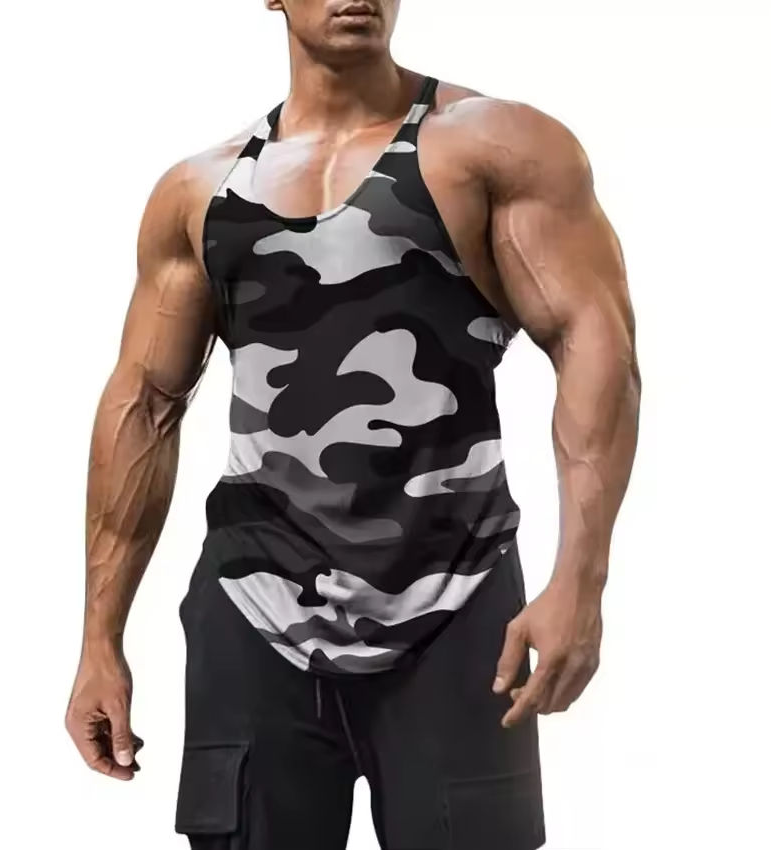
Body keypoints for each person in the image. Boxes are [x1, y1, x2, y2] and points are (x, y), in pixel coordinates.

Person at [65, 1, 641, 847]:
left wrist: (580, 585)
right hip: (254, 605)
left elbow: (598, 350)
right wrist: (98, 641)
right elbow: (145, 405)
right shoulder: (202, 191)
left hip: (456, 601)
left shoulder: (495, 147)